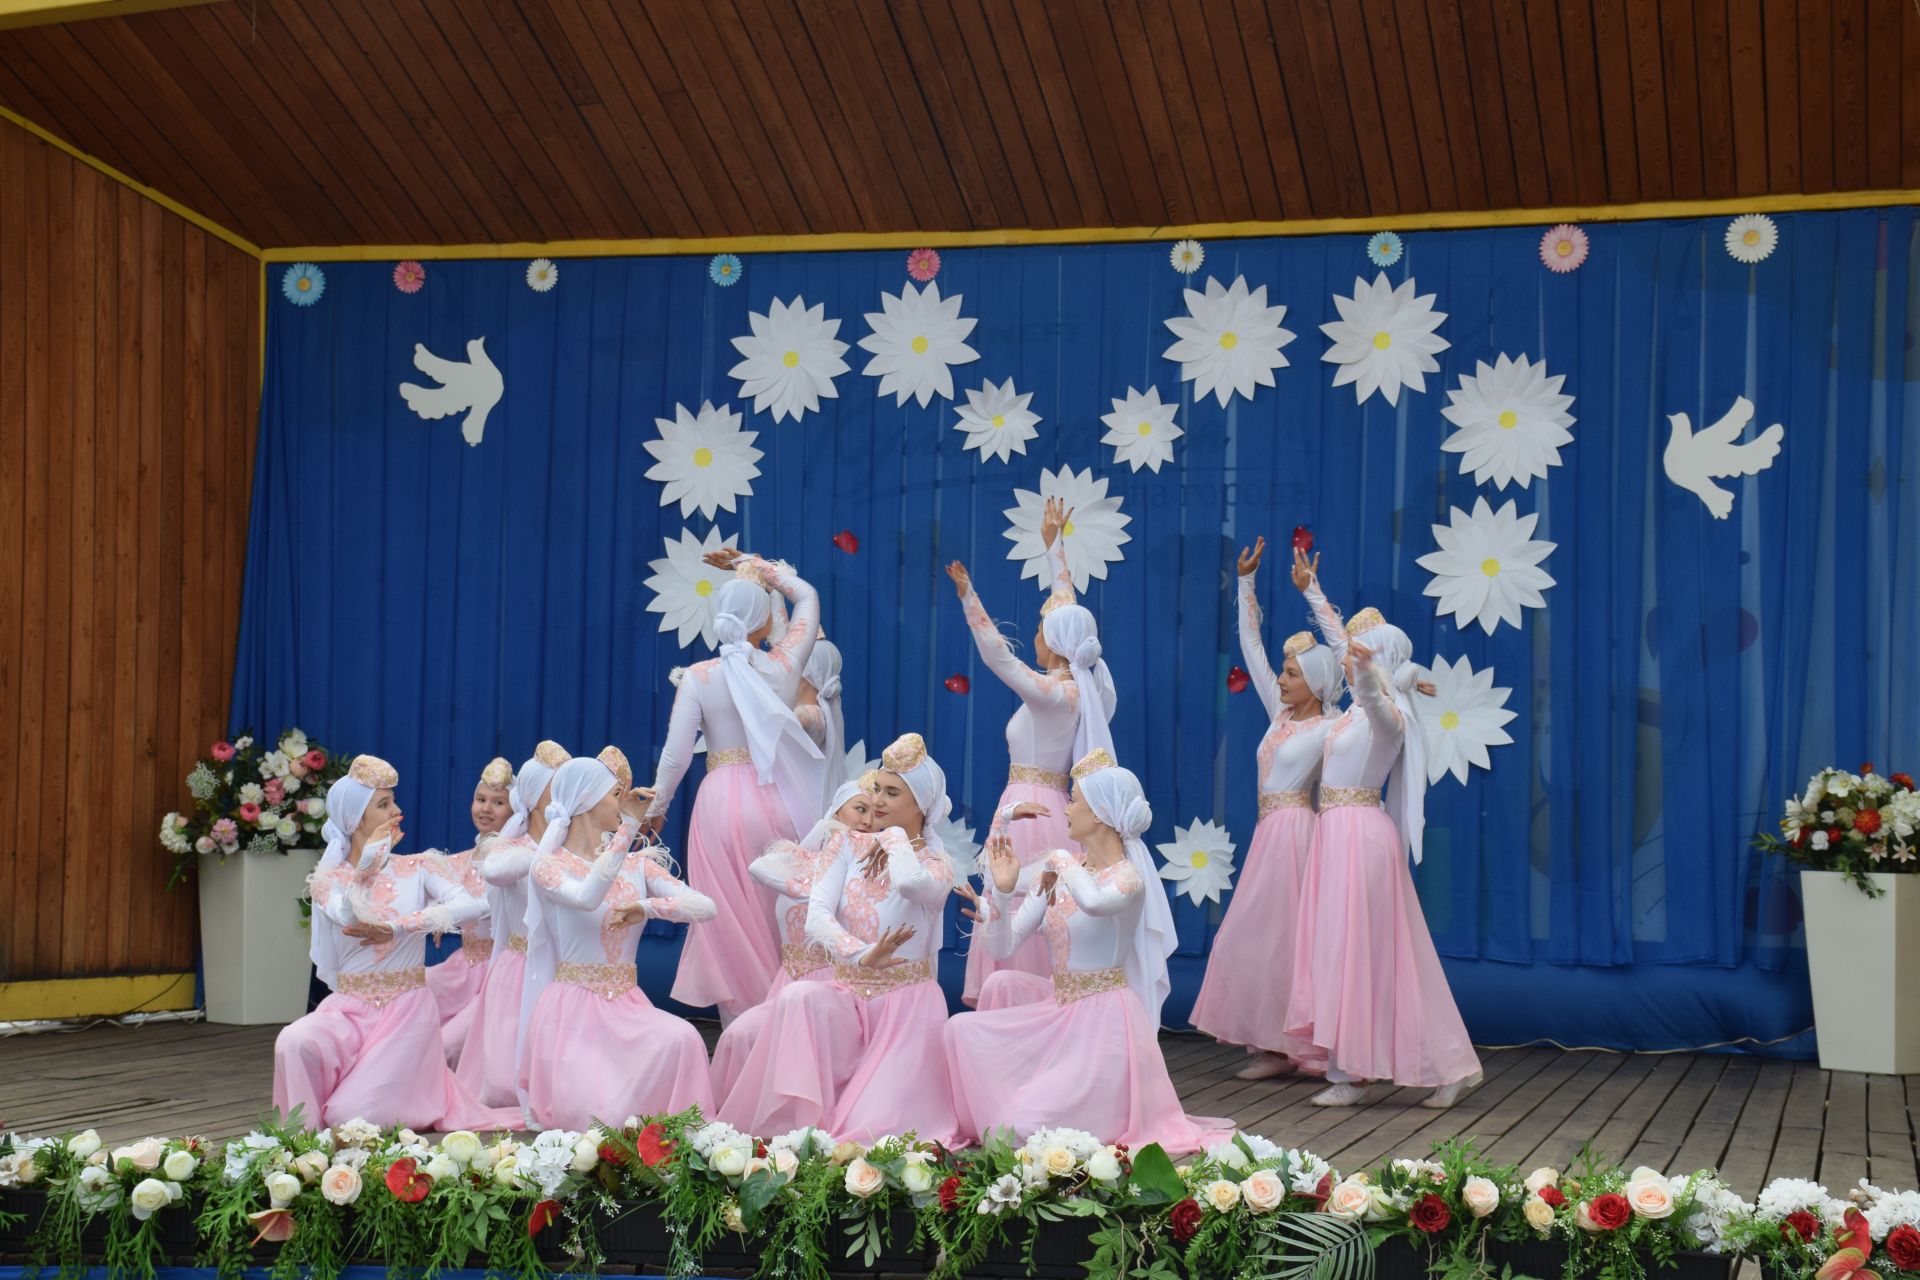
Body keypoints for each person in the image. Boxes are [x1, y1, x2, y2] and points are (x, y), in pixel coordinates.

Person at [945, 750, 1231, 1151]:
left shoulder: (1128, 878)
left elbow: (1095, 901)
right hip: (1061, 1012)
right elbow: (1003, 943)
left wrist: (1061, 860)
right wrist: (1006, 894)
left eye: (1075, 799)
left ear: (1098, 813)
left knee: (1023, 1127)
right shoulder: (1065, 872)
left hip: (1103, 1026)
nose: (1067, 807)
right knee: (961, 1027)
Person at [1285, 563, 1483, 1108]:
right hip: (1334, 834)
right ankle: (1348, 1069)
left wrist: (1377, 676)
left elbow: (1375, 698)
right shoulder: (1350, 714)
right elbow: (1343, 646)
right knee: (1338, 951)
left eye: (1358, 656)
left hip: (1362, 838)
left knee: (1374, 951)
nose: (1347, 661)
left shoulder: (1387, 713)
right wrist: (1315, 593)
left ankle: (1449, 1064)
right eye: (1350, 657)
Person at [273, 755, 513, 1129]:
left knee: (349, 1118)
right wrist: (364, 872)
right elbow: (347, 916)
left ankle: (351, 1114)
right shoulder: (327, 879)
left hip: (407, 1013)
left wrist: (401, 926)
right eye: (384, 804)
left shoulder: (417, 867)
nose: (397, 810)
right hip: (349, 1008)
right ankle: (300, 1147)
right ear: (355, 818)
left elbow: (473, 905)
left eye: (393, 801)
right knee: (294, 1040)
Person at [945, 496, 1117, 1006]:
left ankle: (1022, 1008)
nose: (1035, 636)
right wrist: (1054, 547)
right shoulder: (1078, 687)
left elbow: (998, 655)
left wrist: (969, 598)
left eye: (1041, 631)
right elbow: (1068, 610)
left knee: (1024, 906)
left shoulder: (1052, 696)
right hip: (1044, 807)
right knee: (1033, 906)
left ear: (1055, 643)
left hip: (1028, 814)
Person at [646, 550, 825, 1022]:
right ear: (764, 623)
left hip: (720, 802)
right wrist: (756, 564)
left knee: (726, 926)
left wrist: (656, 807)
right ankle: (785, 1029)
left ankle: (743, 1038)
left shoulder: (700, 676)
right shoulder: (783, 666)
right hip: (776, 796)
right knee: (777, 918)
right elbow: (806, 595)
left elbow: (676, 754)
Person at [1190, 541, 1344, 1079]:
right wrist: (1246, 584)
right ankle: (1273, 1046)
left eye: (1294, 674)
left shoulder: (1332, 726)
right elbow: (1250, 643)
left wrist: (1316, 595)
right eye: (1283, 671)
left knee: (1293, 940)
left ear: (1319, 683)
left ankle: (1311, 1045)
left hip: (1299, 835)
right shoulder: (1278, 714)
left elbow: (1356, 667)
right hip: (1268, 833)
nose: (1282, 679)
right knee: (1257, 938)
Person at [520, 750, 717, 1128]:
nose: (623, 801)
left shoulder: (636, 864)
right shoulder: (548, 865)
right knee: (596, 1122)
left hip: (627, 1006)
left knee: (684, 1038)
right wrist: (628, 828)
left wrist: (647, 907)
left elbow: (705, 907)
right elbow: (586, 896)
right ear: (587, 799)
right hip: (572, 1014)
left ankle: (682, 1143)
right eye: (615, 794)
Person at [710, 779, 875, 1132]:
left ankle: (804, 1128)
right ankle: (727, 1129)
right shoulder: (803, 862)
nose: (866, 820)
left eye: (874, 815)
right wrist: (819, 884)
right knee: (738, 1035)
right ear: (836, 813)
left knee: (800, 1031)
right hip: (786, 986)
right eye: (859, 809)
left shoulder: (864, 873)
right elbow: (760, 868)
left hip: (836, 990)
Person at [455, 740, 568, 1110]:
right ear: (536, 797)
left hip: (562, 970)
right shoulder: (508, 847)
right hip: (518, 970)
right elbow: (495, 874)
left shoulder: (575, 845)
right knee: (504, 1082)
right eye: (558, 787)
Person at [426, 757, 514, 1066]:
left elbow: (486, 908)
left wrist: (448, 914)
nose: (486, 808)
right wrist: (436, 908)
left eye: (498, 802)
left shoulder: (517, 859)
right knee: (410, 996)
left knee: (446, 1046)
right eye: (480, 800)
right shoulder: (460, 861)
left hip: (502, 973)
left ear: (515, 809)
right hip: (463, 969)